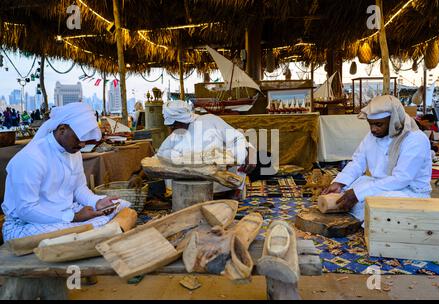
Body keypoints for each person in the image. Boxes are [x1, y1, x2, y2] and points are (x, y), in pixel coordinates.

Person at [1, 102, 130, 241]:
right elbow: (26, 210)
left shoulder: (74, 151)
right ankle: (91, 234)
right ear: (62, 129)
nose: (82, 145)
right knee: (81, 231)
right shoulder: (31, 157)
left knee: (121, 207)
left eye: (85, 141)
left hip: (67, 213)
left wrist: (96, 202)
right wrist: (74, 217)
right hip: (26, 224)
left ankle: (90, 233)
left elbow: (79, 188)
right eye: (79, 138)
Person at [322, 95, 432, 223]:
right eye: (370, 124)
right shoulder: (372, 136)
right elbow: (358, 162)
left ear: (393, 120)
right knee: (346, 191)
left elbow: (401, 179)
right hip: (380, 184)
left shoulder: (415, 139)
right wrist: (339, 182)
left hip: (408, 192)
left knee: (370, 202)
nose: (373, 129)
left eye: (379, 124)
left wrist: (358, 193)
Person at [156, 100, 255, 197]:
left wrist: (251, 153)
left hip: (224, 185)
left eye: (175, 125)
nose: (172, 129)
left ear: (184, 119)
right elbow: (158, 157)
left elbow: (237, 138)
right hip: (191, 191)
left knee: (242, 151)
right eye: (171, 126)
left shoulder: (210, 120)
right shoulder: (174, 137)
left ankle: (233, 192)